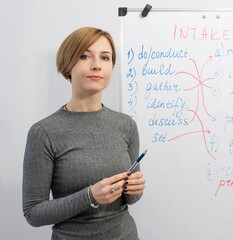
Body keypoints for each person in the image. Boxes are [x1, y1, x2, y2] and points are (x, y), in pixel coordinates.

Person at [22, 27, 146, 240]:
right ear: (68, 65)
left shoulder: (126, 125)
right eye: (85, 56)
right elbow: (33, 213)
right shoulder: (43, 132)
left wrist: (134, 190)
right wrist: (89, 196)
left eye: (105, 58)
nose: (97, 65)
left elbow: (130, 200)